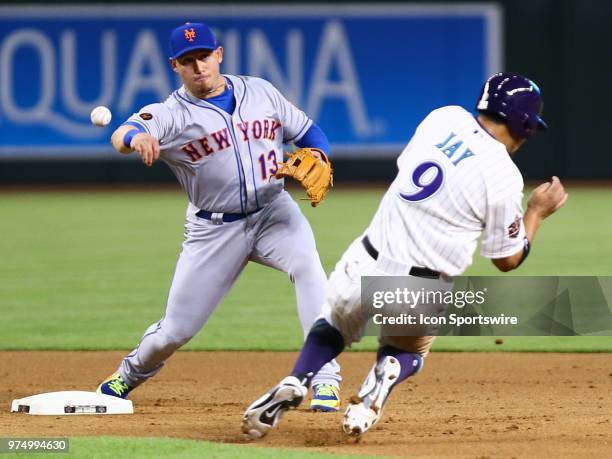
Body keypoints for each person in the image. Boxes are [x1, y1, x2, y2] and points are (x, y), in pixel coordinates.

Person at [241, 72, 568, 439]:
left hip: (367, 260)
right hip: (422, 288)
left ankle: (298, 379)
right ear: (523, 125)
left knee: (332, 324)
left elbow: (408, 166)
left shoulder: (443, 118)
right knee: (409, 349)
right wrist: (536, 212)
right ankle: (388, 371)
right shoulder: (505, 177)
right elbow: (506, 259)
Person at [96, 22, 342, 412]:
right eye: (188, 61)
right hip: (213, 230)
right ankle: (128, 373)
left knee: (310, 269)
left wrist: (321, 156)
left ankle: (325, 377)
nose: (199, 67)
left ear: (219, 55)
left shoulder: (261, 92)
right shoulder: (172, 114)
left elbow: (310, 132)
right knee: (176, 330)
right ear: (174, 65)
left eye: (205, 57)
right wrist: (135, 138)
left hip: (273, 212)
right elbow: (125, 132)